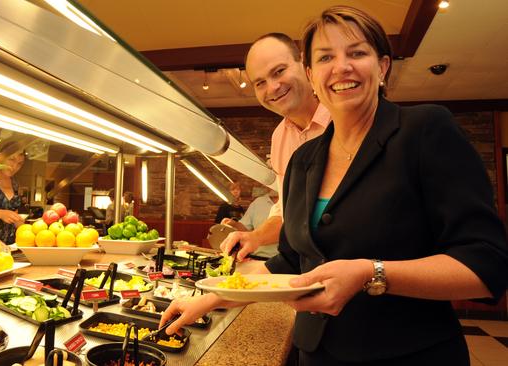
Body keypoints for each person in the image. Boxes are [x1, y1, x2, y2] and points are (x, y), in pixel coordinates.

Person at [162, 6, 508, 365]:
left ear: (383, 66)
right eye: (326, 57)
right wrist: (213, 297)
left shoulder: (424, 130)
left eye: (357, 53)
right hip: (317, 353)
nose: (341, 67)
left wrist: (371, 273)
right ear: (312, 74)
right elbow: (292, 261)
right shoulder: (303, 160)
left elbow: (486, 265)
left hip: (409, 354)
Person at [220, 32, 330, 263]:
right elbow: (288, 211)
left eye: (279, 71)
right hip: (310, 269)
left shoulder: (342, 117)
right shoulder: (280, 137)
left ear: (304, 63)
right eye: (260, 83)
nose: (272, 87)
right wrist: (254, 237)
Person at [222, 188, 279, 258]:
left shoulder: (292, 202)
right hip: (256, 256)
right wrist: (234, 224)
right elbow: (245, 228)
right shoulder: (258, 202)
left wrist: (256, 237)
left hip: (284, 261)